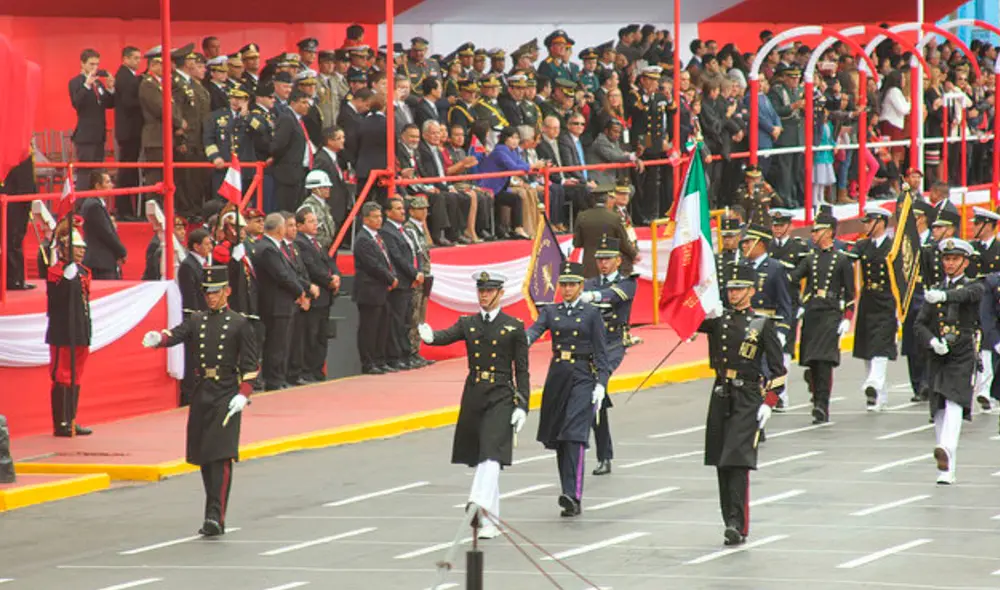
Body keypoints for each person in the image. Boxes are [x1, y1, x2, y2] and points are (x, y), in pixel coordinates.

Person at [142, 265, 258, 536]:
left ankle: (216, 516)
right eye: (207, 293)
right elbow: (178, 333)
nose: (210, 297)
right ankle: (211, 512)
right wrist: (159, 338)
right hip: (203, 393)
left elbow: (251, 366)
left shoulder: (240, 324)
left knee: (221, 456)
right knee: (205, 456)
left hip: (226, 393)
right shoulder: (198, 320)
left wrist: (244, 394)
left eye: (215, 292)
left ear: (227, 292)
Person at [417, 270, 530, 538]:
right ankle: (491, 522)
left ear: (500, 293)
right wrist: (428, 335)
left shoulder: (514, 327)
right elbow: (443, 336)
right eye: (481, 291)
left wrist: (522, 405)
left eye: (489, 291)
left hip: (502, 394)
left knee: (491, 453)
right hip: (475, 395)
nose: (484, 295)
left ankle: (477, 503)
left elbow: (522, 371)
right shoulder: (468, 323)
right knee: (484, 457)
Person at [697, 262, 785, 546]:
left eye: (739, 289)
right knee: (722, 462)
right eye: (730, 289)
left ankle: (738, 522)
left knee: (737, 460)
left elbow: (778, 371)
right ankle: (729, 521)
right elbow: (689, 320)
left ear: (751, 290)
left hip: (747, 395)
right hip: (722, 392)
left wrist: (769, 402)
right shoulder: (718, 321)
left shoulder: (762, 324)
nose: (733, 294)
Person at [526, 261, 609, 517]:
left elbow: (601, 352)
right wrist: (517, 340)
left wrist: (601, 384)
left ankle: (573, 494)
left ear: (581, 286)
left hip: (583, 375)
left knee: (574, 434)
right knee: (560, 437)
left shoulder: (591, 313)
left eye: (572, 284)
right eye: (563, 284)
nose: (567, 289)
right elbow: (533, 333)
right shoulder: (551, 311)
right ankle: (567, 493)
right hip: (558, 377)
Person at [916, 239, 984, 484]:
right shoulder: (935, 289)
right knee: (938, 408)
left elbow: (965, 296)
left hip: (962, 352)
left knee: (955, 400)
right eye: (946, 258)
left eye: (955, 259)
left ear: (965, 262)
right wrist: (932, 341)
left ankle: (946, 447)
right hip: (938, 353)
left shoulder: (974, 286)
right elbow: (920, 324)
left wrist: (942, 296)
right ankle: (946, 468)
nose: (950, 263)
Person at [789, 208, 856, 424]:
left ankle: (822, 405)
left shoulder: (842, 260)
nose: (813, 235)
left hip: (830, 313)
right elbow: (793, 278)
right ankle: (815, 389)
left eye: (816, 231)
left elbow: (850, 293)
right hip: (812, 312)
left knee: (824, 360)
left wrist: (847, 317)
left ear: (828, 232)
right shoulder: (810, 258)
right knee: (812, 361)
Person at [578, 236, 636, 475]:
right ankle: (601, 454)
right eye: (600, 259)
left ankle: (603, 455)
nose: (603, 263)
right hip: (590, 345)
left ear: (618, 260)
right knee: (594, 398)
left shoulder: (628, 282)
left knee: (596, 388)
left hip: (612, 345)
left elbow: (612, 296)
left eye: (608, 259)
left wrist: (591, 297)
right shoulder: (589, 283)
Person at [45, 218, 93, 437]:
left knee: (77, 376)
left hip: (80, 329)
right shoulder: (56, 272)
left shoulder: (84, 272)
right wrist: (67, 277)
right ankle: (60, 423)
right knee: (62, 375)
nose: (81, 252)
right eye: (77, 248)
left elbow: (84, 303)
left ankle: (72, 420)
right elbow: (58, 300)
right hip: (63, 330)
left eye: (83, 248)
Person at [253, 213, 311, 390]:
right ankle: (274, 379)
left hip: (283, 303)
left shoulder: (274, 247)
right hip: (275, 304)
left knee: (282, 343)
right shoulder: (268, 248)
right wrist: (300, 291)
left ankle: (279, 377)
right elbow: (282, 275)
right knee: (276, 344)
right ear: (279, 228)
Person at [852, 206, 898, 411]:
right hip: (868, 299)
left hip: (887, 300)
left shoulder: (893, 247)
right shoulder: (862, 246)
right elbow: (847, 256)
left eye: (869, 221)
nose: (866, 225)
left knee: (880, 345)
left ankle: (874, 383)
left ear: (880, 222)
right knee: (867, 349)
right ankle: (878, 395)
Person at [295, 208, 340, 382]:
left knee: (322, 335)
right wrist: (329, 280)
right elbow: (312, 268)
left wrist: (336, 275)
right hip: (315, 296)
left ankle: (317, 369)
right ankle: (307, 370)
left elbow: (329, 261)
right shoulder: (301, 243)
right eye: (311, 221)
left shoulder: (316, 242)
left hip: (325, 297)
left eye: (316, 221)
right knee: (310, 336)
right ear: (300, 225)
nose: (316, 225)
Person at [354, 202, 398, 374]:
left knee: (382, 326)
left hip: (382, 289)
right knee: (369, 328)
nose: (379, 220)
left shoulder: (378, 237)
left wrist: (392, 275)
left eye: (380, 216)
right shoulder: (363, 239)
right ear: (365, 219)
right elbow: (373, 265)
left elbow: (387, 260)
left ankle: (380, 359)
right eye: (375, 216)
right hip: (369, 290)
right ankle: (368, 362)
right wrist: (390, 278)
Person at [69, 48, 115, 189]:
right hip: (85, 135)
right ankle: (81, 204)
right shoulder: (76, 82)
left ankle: (95, 201)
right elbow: (77, 103)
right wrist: (87, 84)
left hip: (99, 134)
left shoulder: (98, 83)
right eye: (91, 64)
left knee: (98, 172)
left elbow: (109, 104)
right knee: (85, 171)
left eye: (97, 64)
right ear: (82, 64)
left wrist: (110, 88)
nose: (95, 68)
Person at [573, 189, 638, 278]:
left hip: (589, 267)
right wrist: (634, 254)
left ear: (592, 200)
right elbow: (623, 243)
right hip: (609, 267)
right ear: (607, 199)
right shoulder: (614, 217)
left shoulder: (582, 216)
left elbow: (576, 243)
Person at [270, 90, 314, 212]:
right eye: (304, 102)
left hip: (298, 172)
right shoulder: (287, 119)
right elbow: (278, 145)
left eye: (308, 102)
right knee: (287, 208)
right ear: (293, 103)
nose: (307, 106)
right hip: (287, 174)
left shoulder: (298, 120)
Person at [78, 172, 127, 280]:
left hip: (100, 261)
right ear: (98, 186)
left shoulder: (93, 203)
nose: (111, 185)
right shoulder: (94, 206)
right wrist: (122, 252)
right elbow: (106, 233)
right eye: (107, 182)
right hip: (100, 263)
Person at [404, 196, 434, 368]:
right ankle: (411, 351)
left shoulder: (420, 228)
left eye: (425, 209)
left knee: (420, 315)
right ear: (412, 211)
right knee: (414, 315)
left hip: (425, 275)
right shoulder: (410, 229)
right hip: (418, 277)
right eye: (420, 209)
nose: (424, 212)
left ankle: (416, 350)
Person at [114, 46, 144, 213]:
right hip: (129, 131)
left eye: (139, 58)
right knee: (126, 171)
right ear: (125, 59)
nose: (137, 61)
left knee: (129, 170)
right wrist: (143, 101)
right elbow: (127, 102)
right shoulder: (125, 77)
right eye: (134, 58)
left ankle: (127, 209)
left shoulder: (131, 76)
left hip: (131, 130)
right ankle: (124, 209)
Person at [297, 170, 337, 250]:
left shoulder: (325, 206)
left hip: (327, 247)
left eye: (328, 187)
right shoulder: (308, 207)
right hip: (316, 248)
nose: (328, 189)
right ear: (314, 189)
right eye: (324, 187)